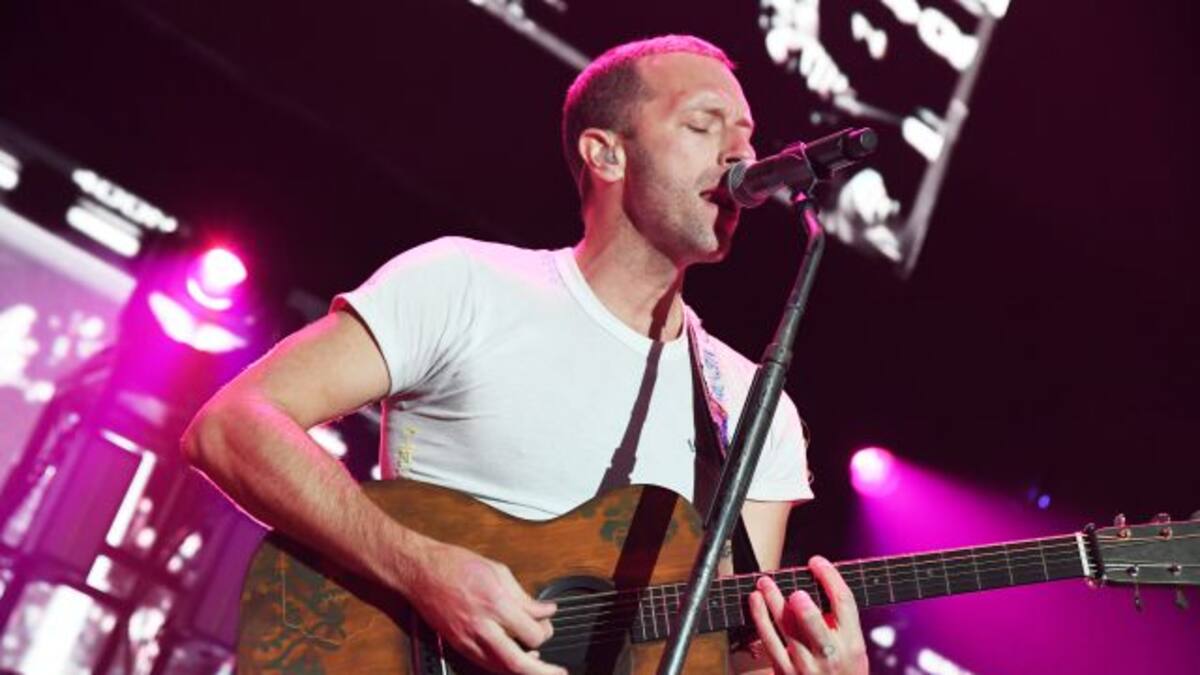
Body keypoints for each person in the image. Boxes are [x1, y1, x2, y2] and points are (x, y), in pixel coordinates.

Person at [182, 35, 868, 675]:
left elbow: (722, 652)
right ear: (606, 154)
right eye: (702, 125)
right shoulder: (466, 285)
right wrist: (420, 568)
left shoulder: (754, 410)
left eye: (746, 136)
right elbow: (232, 425)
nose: (740, 156)